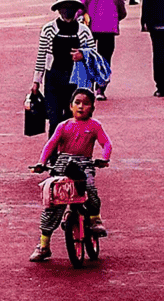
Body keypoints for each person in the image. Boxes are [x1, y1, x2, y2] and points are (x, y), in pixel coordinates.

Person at [29, 87, 111, 261]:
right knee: (54, 200)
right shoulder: (63, 126)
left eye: (86, 103)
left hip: (84, 164)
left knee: (89, 188)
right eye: (78, 103)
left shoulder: (95, 126)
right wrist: (41, 163)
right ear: (71, 106)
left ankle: (95, 219)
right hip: (63, 164)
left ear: (92, 108)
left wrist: (104, 159)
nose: (81, 107)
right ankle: (44, 245)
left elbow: (106, 144)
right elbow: (50, 145)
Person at [31, 0, 97, 134]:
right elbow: (41, 55)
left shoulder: (84, 31)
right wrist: (36, 81)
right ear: (59, 9)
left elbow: (94, 58)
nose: (68, 10)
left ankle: (68, 153)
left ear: (76, 9)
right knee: (54, 120)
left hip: (76, 81)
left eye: (71, 7)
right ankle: (52, 155)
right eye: (64, 6)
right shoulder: (48, 29)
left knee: (71, 119)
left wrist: (83, 55)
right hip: (53, 78)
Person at [77, 0, 126, 99]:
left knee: (88, 55)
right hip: (109, 25)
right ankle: (101, 88)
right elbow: (120, 3)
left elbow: (81, 3)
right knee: (105, 56)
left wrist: (76, 18)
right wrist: (119, 17)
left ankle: (89, 86)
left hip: (89, 25)